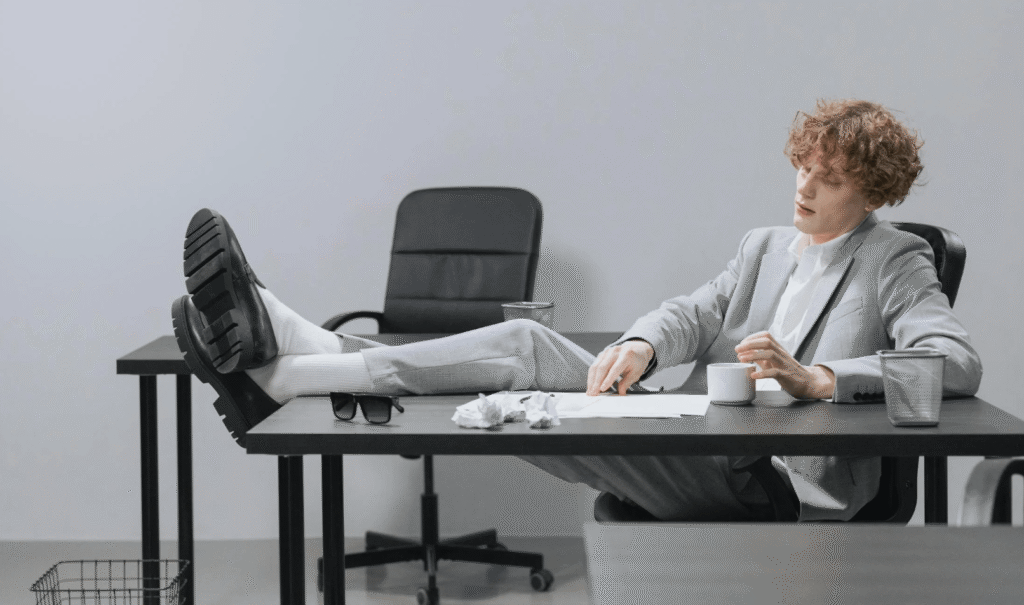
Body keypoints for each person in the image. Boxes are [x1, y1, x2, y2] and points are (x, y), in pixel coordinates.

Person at [172, 99, 982, 522]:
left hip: (774, 484)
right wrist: (637, 343)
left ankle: (293, 369)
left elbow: (955, 362)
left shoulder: (894, 259)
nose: (804, 187)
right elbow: (690, 313)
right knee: (529, 348)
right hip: (705, 438)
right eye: (802, 167)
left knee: (535, 414)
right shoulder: (767, 244)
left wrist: (820, 380)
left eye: (829, 178)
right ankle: (310, 355)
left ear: (873, 190)